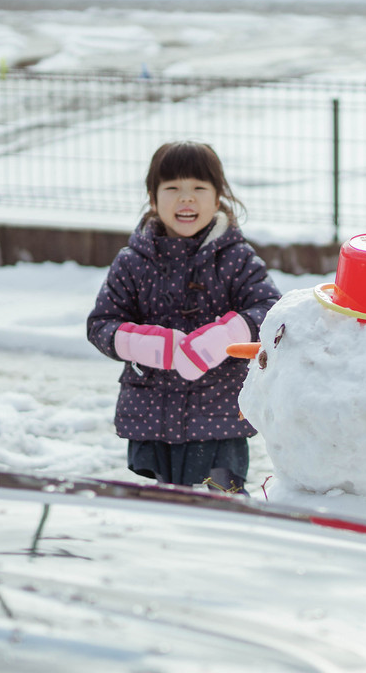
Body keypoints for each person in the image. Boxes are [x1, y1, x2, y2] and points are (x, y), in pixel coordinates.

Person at [87, 141, 281, 494]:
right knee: (169, 502)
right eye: (172, 188)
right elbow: (101, 324)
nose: (186, 199)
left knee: (225, 497)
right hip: (153, 412)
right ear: (152, 196)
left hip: (219, 413)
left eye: (198, 188)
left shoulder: (235, 257)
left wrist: (222, 338)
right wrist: (150, 346)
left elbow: (270, 309)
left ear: (219, 196)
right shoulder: (134, 261)